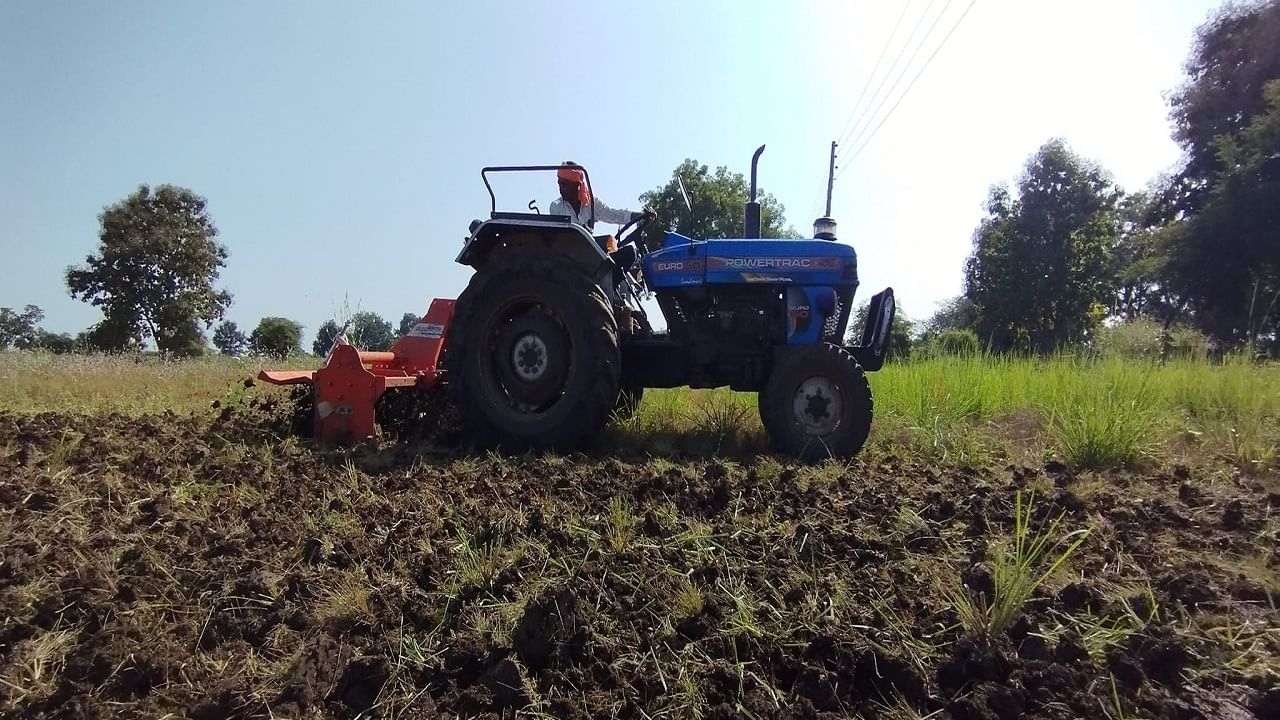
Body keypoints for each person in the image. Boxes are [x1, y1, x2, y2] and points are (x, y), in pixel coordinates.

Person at [550, 162, 654, 232]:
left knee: (628, 253)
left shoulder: (592, 204)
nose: (561, 189)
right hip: (567, 257)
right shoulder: (556, 207)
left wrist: (641, 216)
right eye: (559, 184)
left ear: (577, 184)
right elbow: (561, 237)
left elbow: (615, 215)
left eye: (565, 185)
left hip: (590, 254)